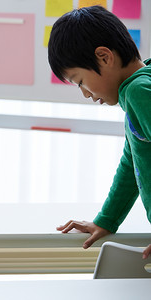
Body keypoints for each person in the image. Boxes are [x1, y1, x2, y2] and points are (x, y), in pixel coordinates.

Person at [48, 5, 151, 258]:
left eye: (80, 81)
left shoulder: (139, 92)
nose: (85, 94)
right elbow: (132, 164)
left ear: (105, 57)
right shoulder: (137, 89)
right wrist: (106, 220)